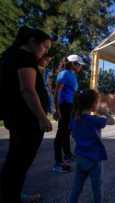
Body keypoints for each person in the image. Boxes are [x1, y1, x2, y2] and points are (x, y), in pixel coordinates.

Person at [0, 26, 52, 203]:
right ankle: (11, 197)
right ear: (32, 42)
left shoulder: (11, 55)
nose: (45, 51)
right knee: (19, 162)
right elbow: (28, 90)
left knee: (15, 160)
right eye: (44, 47)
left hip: (16, 117)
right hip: (27, 120)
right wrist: (42, 118)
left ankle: (13, 194)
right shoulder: (24, 58)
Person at [69, 89, 115, 203]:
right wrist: (105, 113)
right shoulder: (95, 120)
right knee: (96, 186)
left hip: (80, 157)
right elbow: (112, 121)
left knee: (77, 186)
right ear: (93, 104)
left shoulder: (74, 120)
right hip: (94, 159)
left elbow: (73, 136)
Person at [53, 54, 85, 173]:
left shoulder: (73, 75)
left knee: (67, 132)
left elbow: (73, 93)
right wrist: (57, 110)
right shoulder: (64, 73)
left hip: (71, 107)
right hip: (64, 107)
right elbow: (57, 92)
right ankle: (57, 163)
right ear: (73, 64)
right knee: (60, 134)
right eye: (79, 65)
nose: (81, 67)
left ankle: (67, 155)